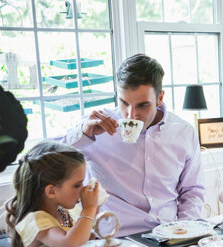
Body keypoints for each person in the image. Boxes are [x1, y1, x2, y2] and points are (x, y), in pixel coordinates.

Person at [55, 54, 204, 236]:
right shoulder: (96, 126)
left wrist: (183, 232)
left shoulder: (184, 133)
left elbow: (192, 191)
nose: (131, 115)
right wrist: (84, 134)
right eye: (124, 103)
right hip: (115, 237)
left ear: (160, 98)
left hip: (169, 234)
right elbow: (41, 159)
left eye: (142, 105)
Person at [4, 141, 99, 247]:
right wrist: (89, 209)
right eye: (77, 185)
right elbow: (71, 245)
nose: (83, 189)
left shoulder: (64, 211)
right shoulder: (35, 221)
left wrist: (90, 226)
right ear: (51, 191)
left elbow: (79, 240)